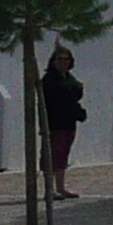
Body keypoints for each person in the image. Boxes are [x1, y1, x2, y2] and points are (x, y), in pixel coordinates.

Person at [40, 47, 87, 200]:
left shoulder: (69, 78)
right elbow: (59, 96)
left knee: (63, 155)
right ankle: (49, 189)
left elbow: (75, 96)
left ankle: (60, 187)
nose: (63, 62)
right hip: (54, 123)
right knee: (51, 155)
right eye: (59, 59)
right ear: (53, 61)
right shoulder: (49, 79)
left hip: (68, 122)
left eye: (66, 59)